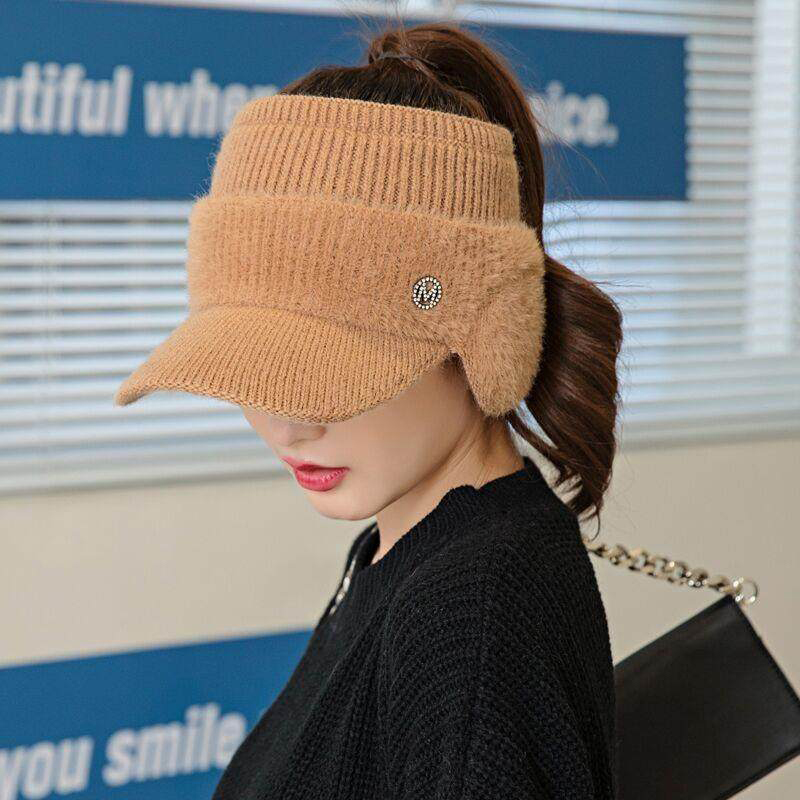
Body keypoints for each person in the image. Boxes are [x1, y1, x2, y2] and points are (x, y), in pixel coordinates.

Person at [114, 18, 622, 800]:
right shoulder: (404, 548)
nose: (288, 425)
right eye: (254, 366)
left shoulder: (469, 618)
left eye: (331, 373)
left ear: (485, 328)